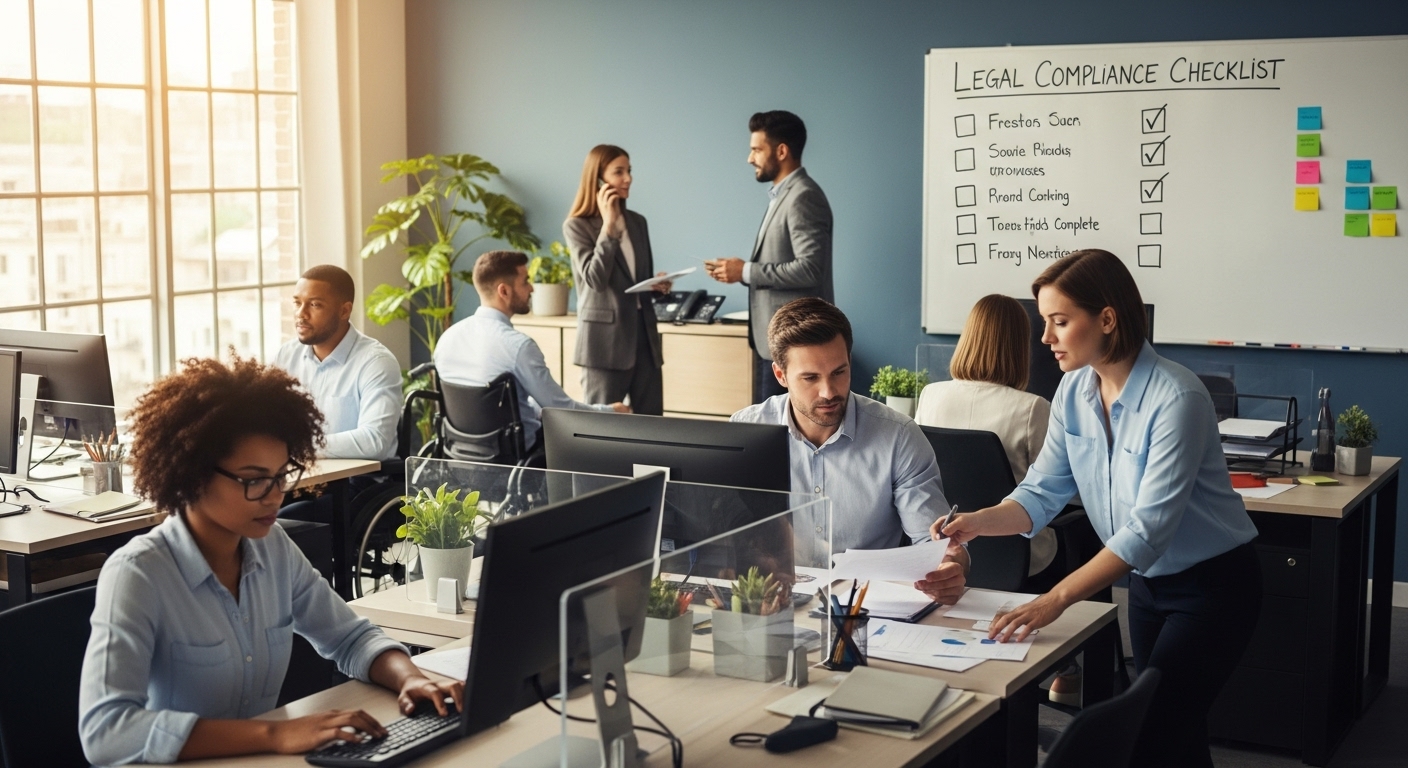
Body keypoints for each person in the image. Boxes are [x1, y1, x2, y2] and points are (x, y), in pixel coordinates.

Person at [940, 249, 1261, 768]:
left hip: (1214, 587)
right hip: (1149, 588)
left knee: (1151, 734)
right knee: (1176, 737)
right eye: (1044, 322)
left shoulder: (1176, 399)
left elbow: (1146, 533)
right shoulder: (1072, 392)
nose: (1044, 338)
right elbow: (1041, 494)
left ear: (1106, 319)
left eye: (1059, 322)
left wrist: (1054, 600)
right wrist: (977, 522)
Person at [79, 356, 461, 765]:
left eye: (282, 475)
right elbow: (106, 732)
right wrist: (275, 733)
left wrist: (412, 679)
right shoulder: (139, 575)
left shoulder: (271, 547)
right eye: (254, 479)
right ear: (193, 474)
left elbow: (350, 638)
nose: (276, 494)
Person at [732, 297, 967, 604]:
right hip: (775, 602)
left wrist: (950, 566)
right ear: (780, 376)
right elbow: (721, 531)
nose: (829, 392)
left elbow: (934, 542)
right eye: (811, 378)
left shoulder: (898, 436)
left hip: (868, 606)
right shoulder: (746, 430)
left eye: (839, 372)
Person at [914, 294, 1058, 581]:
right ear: (1021, 347)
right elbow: (1054, 491)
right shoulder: (1032, 407)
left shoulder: (931, 395)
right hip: (1019, 550)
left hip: (946, 542)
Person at [435, 250, 628, 453]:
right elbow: (561, 411)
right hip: (521, 455)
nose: (532, 288)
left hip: (459, 451)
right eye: (525, 281)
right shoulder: (518, 346)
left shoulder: (447, 338)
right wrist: (611, 412)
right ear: (504, 291)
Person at [705, 111, 833, 404]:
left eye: (756, 149)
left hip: (794, 345)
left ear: (782, 151)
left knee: (777, 439)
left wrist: (747, 272)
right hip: (775, 345)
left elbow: (811, 268)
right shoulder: (783, 196)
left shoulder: (803, 196)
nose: (750, 158)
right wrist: (739, 272)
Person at [562, 144, 672, 415]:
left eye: (629, 171)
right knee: (602, 431)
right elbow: (595, 279)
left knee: (652, 426)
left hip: (644, 338)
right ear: (599, 180)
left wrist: (655, 285)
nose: (628, 179)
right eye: (619, 172)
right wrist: (609, 228)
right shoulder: (577, 225)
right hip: (604, 344)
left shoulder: (637, 222)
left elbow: (636, 280)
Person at [274, 265, 400, 462]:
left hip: (355, 484)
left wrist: (301, 446)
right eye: (297, 303)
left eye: (315, 305)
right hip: (298, 474)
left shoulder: (376, 363)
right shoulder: (286, 355)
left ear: (344, 311)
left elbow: (375, 441)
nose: (301, 313)